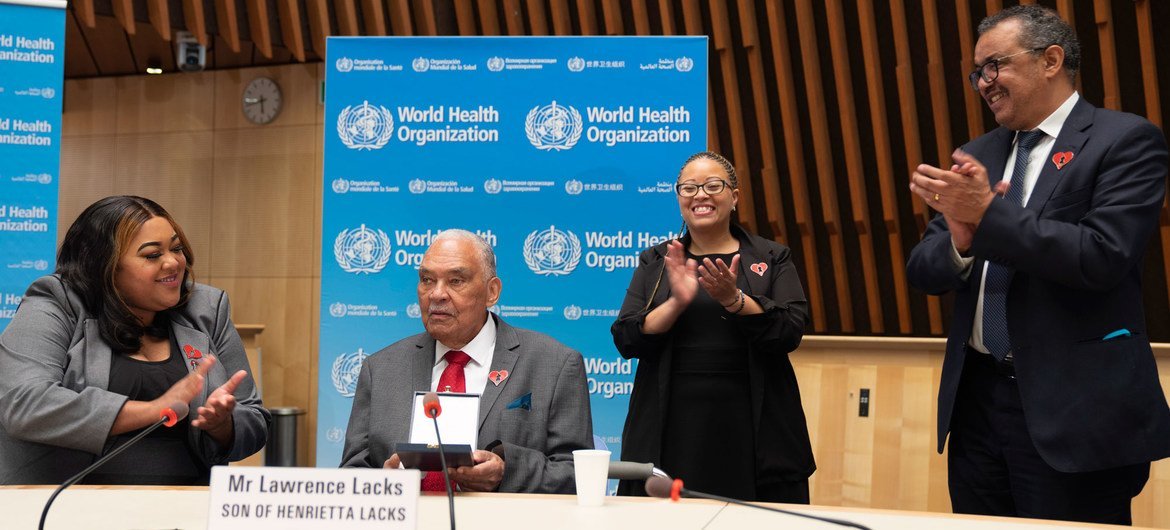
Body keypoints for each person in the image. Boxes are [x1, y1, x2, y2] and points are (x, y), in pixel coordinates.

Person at [906, 6, 1170, 524]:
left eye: (995, 66)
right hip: (978, 406)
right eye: (977, 72)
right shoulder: (976, 154)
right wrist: (960, 240)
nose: (984, 83)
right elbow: (922, 270)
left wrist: (988, 216)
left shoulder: (1124, 140)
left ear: (1051, 60)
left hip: (1075, 410)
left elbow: (1100, 256)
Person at [0, 196, 270, 485]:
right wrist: (154, 410)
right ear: (105, 266)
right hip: (69, 505)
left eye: (176, 249)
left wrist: (223, 425)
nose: (173, 262)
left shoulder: (207, 309)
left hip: (187, 508)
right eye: (152, 255)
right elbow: (25, 404)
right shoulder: (57, 302)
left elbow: (254, 420)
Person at [611, 151, 814, 502]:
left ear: (734, 197)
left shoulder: (771, 257)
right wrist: (676, 302)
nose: (700, 195)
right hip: (671, 427)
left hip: (753, 428)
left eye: (712, 185)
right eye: (688, 188)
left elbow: (790, 330)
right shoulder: (657, 261)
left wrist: (733, 299)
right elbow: (628, 338)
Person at [341, 229, 592, 493]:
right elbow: (351, 475)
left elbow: (578, 474)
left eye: (456, 281)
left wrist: (506, 472)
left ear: (492, 291)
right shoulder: (381, 369)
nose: (436, 294)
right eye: (427, 279)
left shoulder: (554, 365)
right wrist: (384, 483)